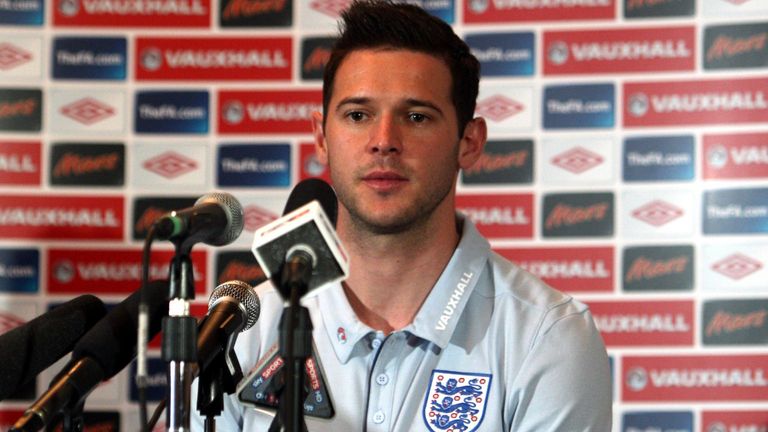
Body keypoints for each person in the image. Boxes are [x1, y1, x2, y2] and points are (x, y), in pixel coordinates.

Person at [192, 1, 612, 430]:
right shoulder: (244, 329)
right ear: (321, 138)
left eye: (416, 117)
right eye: (358, 115)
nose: (384, 141)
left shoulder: (547, 337)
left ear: (469, 141)